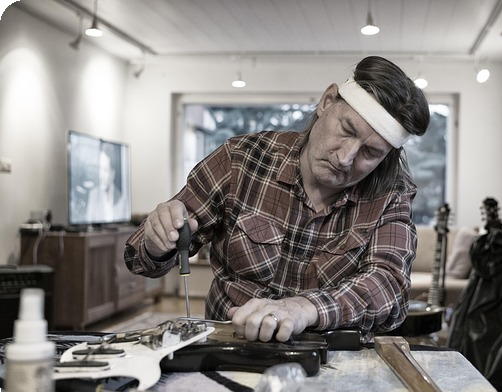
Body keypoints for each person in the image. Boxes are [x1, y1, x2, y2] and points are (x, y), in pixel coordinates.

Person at [124, 55, 430, 343]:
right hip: (229, 346)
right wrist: (156, 242)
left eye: (371, 152)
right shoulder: (240, 160)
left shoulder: (391, 193)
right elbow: (141, 261)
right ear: (326, 101)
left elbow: (389, 286)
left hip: (331, 357)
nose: (346, 157)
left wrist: (304, 309)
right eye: (347, 129)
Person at [85, 142, 127, 223]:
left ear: (113, 173)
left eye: (105, 170)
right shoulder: (93, 195)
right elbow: (89, 225)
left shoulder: (122, 199)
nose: (101, 175)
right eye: (100, 169)